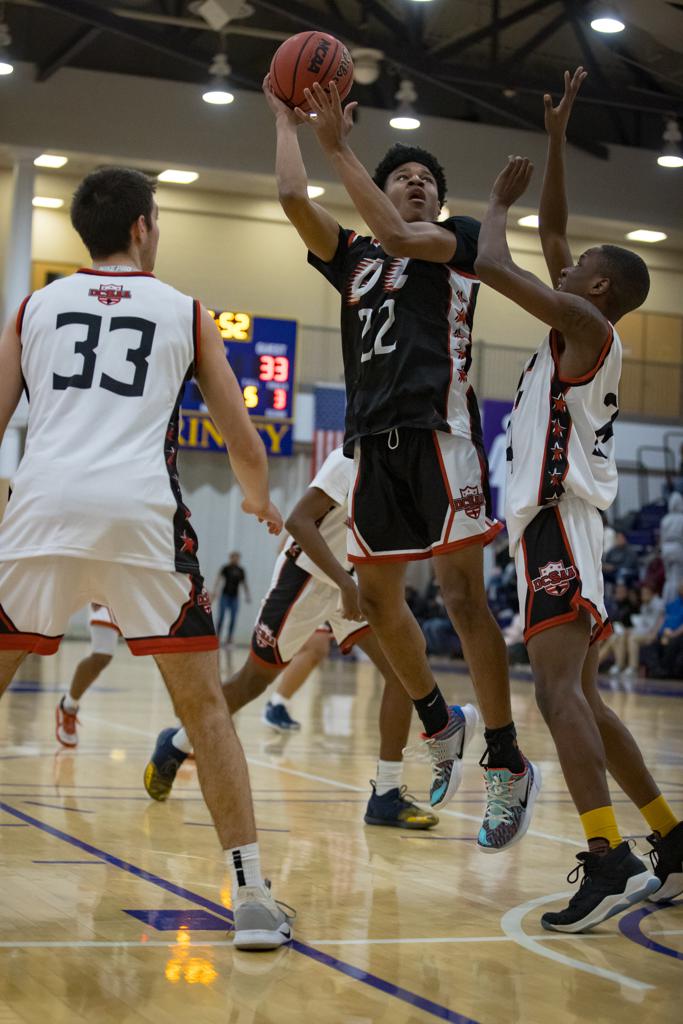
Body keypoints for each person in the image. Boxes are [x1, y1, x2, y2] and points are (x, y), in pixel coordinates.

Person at [0, 167, 292, 951]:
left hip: (39, 513)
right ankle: (253, 898)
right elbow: (241, 438)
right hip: (139, 520)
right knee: (203, 709)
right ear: (140, 229)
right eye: (157, 222)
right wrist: (259, 499)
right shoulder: (185, 311)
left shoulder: (33, 307)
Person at [262, 75, 540, 853]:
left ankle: (505, 758)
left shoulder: (452, 242)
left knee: (459, 599)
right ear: (376, 193)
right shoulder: (350, 256)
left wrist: (339, 146)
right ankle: (434, 719)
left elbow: (404, 238)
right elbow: (291, 198)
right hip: (369, 441)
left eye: (425, 179)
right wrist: (284, 122)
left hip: (439, 432)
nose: (416, 184)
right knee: (378, 607)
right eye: (402, 178)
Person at [474, 67, 682, 930]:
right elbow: (555, 228)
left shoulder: (586, 326)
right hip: (562, 524)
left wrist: (492, 204)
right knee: (583, 698)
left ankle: (606, 859)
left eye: (583, 264)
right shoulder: (584, 319)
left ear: (594, 288)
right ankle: (671, 842)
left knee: (554, 695)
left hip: (558, 521)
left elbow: (490, 261)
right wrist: (558, 138)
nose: (572, 255)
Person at [144, 447, 440, 831]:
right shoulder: (350, 460)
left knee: (404, 671)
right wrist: (343, 582)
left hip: (349, 583)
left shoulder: (401, 476)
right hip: (305, 579)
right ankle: (178, 742)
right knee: (253, 681)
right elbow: (299, 522)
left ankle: (385, 794)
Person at [55, 604, 120, 747]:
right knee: (102, 656)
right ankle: (69, 706)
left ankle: (181, 725)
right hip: (111, 595)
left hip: (146, 592)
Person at [213, 551, 250, 645]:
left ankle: (229, 639)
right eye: (234, 557)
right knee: (221, 617)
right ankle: (217, 637)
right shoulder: (226, 568)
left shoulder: (241, 570)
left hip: (235, 598)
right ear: (230, 558)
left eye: (237, 558)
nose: (236, 559)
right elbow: (218, 579)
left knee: (233, 618)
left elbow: (244, 583)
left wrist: (247, 595)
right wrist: (214, 592)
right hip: (225, 596)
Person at [660, 490, 683, 603]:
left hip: (666, 549)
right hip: (678, 548)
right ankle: (676, 602)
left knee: (669, 578)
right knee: (678, 577)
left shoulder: (665, 520)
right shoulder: (681, 518)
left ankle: (667, 601)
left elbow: (662, 538)